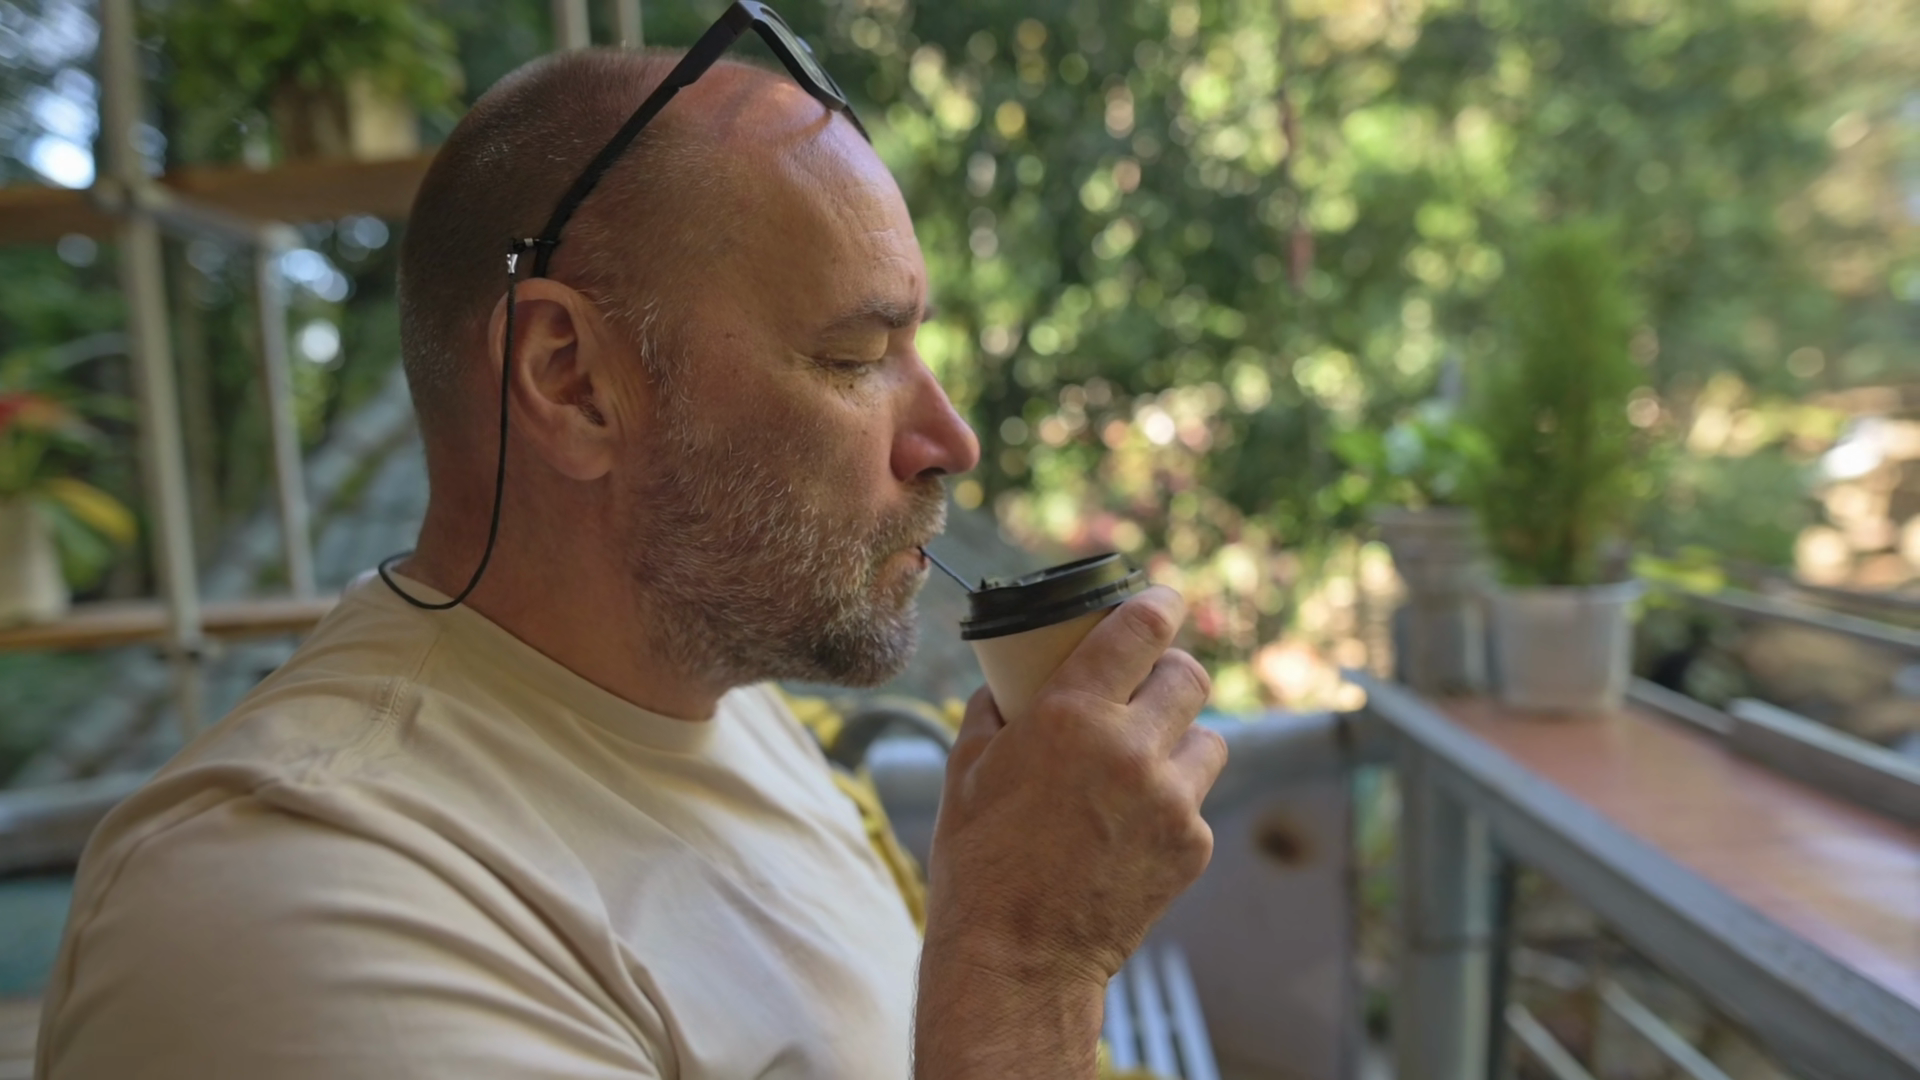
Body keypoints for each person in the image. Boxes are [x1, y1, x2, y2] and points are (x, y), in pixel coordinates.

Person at [38, 18, 1226, 1080]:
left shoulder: (720, 703)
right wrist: (1025, 963)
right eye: (856, 359)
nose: (949, 442)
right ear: (570, 381)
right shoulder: (304, 901)